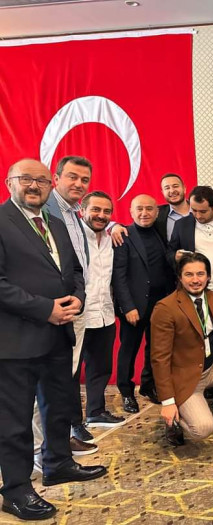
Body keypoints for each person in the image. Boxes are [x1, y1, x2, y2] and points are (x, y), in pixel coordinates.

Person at [0, 159, 106, 521]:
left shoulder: (56, 224)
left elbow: (74, 271)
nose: (34, 186)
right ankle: (16, 490)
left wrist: (78, 298)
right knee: (15, 420)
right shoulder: (2, 221)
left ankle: (58, 463)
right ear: (9, 182)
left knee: (58, 405)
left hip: (58, 336)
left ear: (50, 185)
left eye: (41, 181)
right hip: (15, 341)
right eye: (26, 179)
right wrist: (45, 309)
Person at [150, 252, 213, 446]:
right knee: (203, 428)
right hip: (186, 378)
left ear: (208, 276)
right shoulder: (165, 308)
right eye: (189, 274)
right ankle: (173, 421)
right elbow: (159, 358)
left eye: (200, 274)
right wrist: (167, 402)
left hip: (212, 368)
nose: (195, 280)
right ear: (180, 277)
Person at [41, 156, 96, 452]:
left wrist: (80, 296)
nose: (79, 184)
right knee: (46, 382)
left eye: (84, 180)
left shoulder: (75, 212)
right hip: (53, 310)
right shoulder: (42, 210)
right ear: (56, 178)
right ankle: (43, 447)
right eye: (72, 177)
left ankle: (58, 441)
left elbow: (76, 263)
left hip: (76, 305)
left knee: (65, 377)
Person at [112, 194, 175, 413]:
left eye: (149, 209)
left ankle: (149, 386)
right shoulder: (124, 235)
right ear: (131, 211)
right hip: (135, 306)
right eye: (139, 209)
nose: (144, 213)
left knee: (155, 349)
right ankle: (126, 392)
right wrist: (128, 307)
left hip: (160, 303)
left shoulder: (160, 233)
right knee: (129, 350)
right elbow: (119, 276)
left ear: (157, 212)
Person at [78, 192, 124, 430]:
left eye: (107, 211)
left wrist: (115, 225)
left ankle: (95, 412)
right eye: (95, 210)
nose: (101, 215)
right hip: (77, 316)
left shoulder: (110, 238)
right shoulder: (73, 237)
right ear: (82, 211)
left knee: (101, 368)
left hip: (105, 314)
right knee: (71, 372)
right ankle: (73, 422)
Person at [169, 186, 213, 306]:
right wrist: (175, 256)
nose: (198, 215)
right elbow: (169, 252)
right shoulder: (182, 225)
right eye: (194, 210)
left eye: (203, 211)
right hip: (193, 293)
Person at [110, 172, 190, 245]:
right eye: (167, 188)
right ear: (163, 192)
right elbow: (137, 226)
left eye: (175, 186)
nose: (172, 191)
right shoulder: (157, 213)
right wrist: (115, 227)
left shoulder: (196, 209)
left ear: (184, 188)